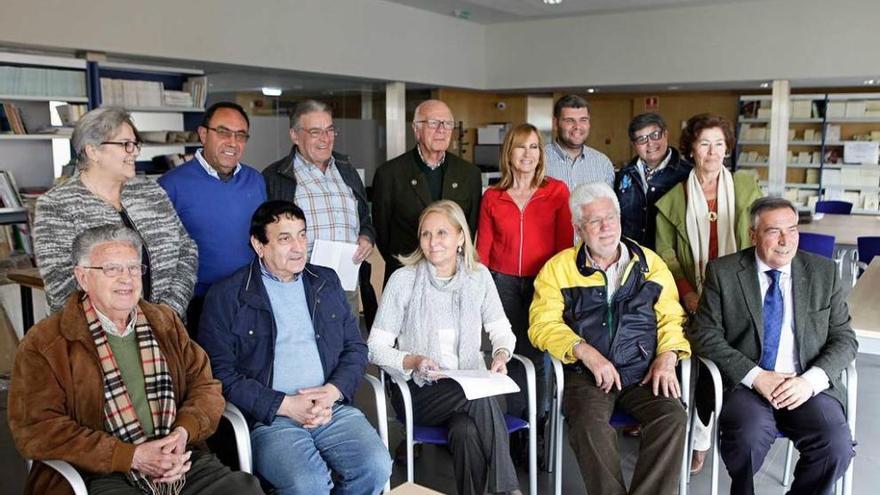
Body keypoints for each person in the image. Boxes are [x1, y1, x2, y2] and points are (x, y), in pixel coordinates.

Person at [8, 225, 262, 495]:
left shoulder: (164, 322)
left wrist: (182, 434)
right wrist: (131, 456)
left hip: (178, 458)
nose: (126, 279)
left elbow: (205, 387)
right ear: (82, 277)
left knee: (242, 490)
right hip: (98, 472)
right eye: (111, 269)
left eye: (133, 268)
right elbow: (37, 428)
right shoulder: (47, 342)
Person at [198, 200, 391, 495]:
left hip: (330, 408)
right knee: (308, 483)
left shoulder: (325, 281)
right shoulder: (226, 295)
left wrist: (332, 392)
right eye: (285, 238)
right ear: (258, 244)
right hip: (272, 417)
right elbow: (220, 374)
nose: (299, 247)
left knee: (376, 466)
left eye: (302, 235)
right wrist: (284, 405)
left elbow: (355, 348)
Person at [688, 197, 857, 495]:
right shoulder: (724, 273)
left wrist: (810, 381)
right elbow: (704, 335)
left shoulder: (823, 272)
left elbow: (844, 338)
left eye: (792, 230)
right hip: (747, 385)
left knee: (835, 445)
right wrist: (756, 376)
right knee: (746, 440)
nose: (785, 241)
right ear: (753, 235)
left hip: (804, 382)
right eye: (773, 231)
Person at [529, 182, 690, 495]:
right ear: (578, 228)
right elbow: (542, 324)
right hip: (586, 375)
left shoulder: (650, 264)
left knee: (672, 417)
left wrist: (667, 356)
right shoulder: (558, 270)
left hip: (643, 371)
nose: (606, 228)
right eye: (594, 221)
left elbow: (672, 317)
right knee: (589, 424)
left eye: (611, 217)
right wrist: (585, 352)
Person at [368, 200, 520, 495]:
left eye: (442, 233)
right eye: (426, 234)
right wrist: (412, 360)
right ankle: (508, 490)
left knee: (466, 430)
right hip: (420, 392)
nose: (433, 242)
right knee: (479, 399)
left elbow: (502, 331)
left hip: (470, 387)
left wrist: (501, 354)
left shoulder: (479, 277)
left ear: (461, 237)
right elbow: (374, 347)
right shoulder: (404, 280)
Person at [654, 112, 763, 472]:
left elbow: (760, 237)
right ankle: (698, 438)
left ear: (727, 148)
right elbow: (666, 257)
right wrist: (687, 293)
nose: (713, 151)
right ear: (691, 150)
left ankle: (732, 429)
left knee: (739, 359)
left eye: (719, 143)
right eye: (705, 144)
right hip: (694, 297)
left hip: (743, 293)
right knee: (703, 363)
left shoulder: (747, 188)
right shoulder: (673, 200)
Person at [34, 107, 197, 317]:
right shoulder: (57, 204)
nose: (135, 152)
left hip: (165, 328)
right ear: (93, 151)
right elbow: (62, 284)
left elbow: (187, 250)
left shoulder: (151, 191)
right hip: (97, 339)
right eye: (125, 145)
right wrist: (123, 325)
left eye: (135, 144)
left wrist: (168, 309)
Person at [476, 123, 572, 441]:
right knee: (509, 353)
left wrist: (556, 287)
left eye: (534, 147)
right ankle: (516, 424)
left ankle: (538, 423)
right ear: (509, 153)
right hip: (502, 283)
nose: (527, 154)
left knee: (538, 356)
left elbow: (563, 247)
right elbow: (483, 251)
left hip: (542, 284)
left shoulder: (556, 191)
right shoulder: (492, 196)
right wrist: (480, 289)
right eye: (521, 147)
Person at [159, 102, 267, 335]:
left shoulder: (255, 180)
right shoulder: (171, 185)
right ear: (203, 134)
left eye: (240, 135)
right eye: (223, 132)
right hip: (198, 304)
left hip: (249, 297)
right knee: (205, 369)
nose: (232, 142)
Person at [263, 100, 374, 315]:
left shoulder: (346, 170)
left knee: (346, 346)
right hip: (299, 287)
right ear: (295, 136)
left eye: (330, 130)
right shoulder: (275, 177)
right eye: (315, 132)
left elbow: (365, 220)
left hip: (346, 286)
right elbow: (265, 235)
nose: (325, 138)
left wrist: (367, 237)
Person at [372, 99, 482, 283]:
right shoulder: (389, 174)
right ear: (416, 129)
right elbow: (382, 233)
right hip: (405, 275)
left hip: (452, 277)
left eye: (447, 124)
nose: (441, 129)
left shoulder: (469, 174)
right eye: (433, 123)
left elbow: (468, 228)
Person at [615, 112, 692, 249]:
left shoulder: (687, 174)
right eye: (641, 139)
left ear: (665, 134)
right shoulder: (624, 175)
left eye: (655, 135)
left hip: (670, 258)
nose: (650, 143)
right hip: (631, 257)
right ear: (633, 144)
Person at [545, 94, 614, 190]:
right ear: (555, 123)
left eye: (583, 120)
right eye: (569, 120)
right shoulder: (537, 160)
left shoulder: (602, 163)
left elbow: (609, 203)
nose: (577, 126)